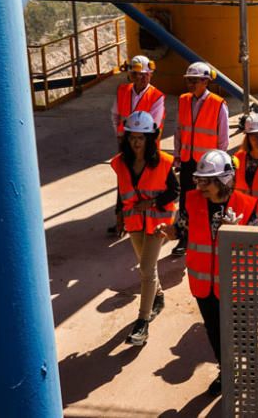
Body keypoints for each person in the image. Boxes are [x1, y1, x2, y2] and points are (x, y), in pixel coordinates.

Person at [155, 149, 258, 396]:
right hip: (203, 285)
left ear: (223, 181)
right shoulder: (191, 200)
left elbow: (255, 245)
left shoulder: (246, 205)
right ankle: (227, 369)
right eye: (199, 180)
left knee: (242, 329)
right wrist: (172, 232)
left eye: (207, 181)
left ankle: (253, 365)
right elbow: (183, 228)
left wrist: (237, 234)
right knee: (215, 330)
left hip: (236, 286)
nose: (201, 186)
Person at [110, 111, 178, 346]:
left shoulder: (164, 161)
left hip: (158, 221)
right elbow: (121, 190)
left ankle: (142, 323)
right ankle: (158, 295)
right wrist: (118, 215)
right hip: (134, 222)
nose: (136, 142)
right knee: (147, 266)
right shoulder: (121, 163)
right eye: (132, 138)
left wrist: (152, 202)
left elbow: (174, 191)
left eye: (141, 137)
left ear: (150, 138)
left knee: (146, 269)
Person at [172, 62, 230, 256]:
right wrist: (178, 155)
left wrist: (219, 163)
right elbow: (179, 130)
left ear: (205, 81)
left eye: (194, 81)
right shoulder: (183, 100)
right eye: (189, 81)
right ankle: (184, 237)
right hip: (188, 161)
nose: (190, 84)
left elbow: (223, 140)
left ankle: (208, 236)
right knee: (185, 201)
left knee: (209, 200)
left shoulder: (218, 104)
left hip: (210, 166)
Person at [108, 55, 166, 235]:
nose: (140, 78)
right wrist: (120, 135)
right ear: (130, 75)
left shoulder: (156, 96)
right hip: (125, 145)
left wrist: (140, 144)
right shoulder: (123, 91)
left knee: (144, 185)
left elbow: (154, 124)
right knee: (124, 185)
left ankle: (143, 223)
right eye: (136, 75)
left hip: (146, 149)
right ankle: (121, 221)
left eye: (144, 75)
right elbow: (115, 115)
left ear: (150, 75)